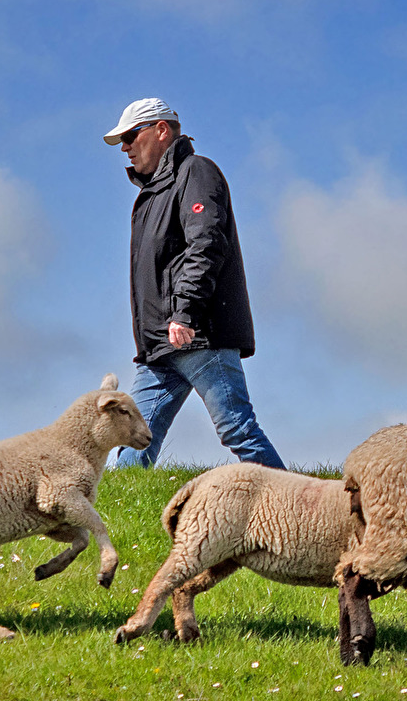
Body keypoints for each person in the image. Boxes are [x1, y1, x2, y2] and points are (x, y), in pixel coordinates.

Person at [104, 97, 284, 469]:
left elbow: (206, 243)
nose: (125, 148)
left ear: (161, 130)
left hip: (199, 335)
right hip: (159, 348)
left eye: (131, 136)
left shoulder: (196, 172)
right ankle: (116, 528)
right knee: (134, 447)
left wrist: (184, 313)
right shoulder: (152, 194)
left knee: (238, 430)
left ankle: (303, 512)